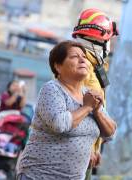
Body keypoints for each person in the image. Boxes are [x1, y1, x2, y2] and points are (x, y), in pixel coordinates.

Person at [16, 40, 116, 180]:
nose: (82, 59)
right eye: (74, 57)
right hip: (38, 175)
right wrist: (87, 107)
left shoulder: (89, 94)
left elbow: (110, 134)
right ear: (58, 66)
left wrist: (98, 111)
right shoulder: (52, 89)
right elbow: (59, 124)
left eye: (84, 57)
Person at [72, 8, 119, 179]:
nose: (110, 45)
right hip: (79, 155)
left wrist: (96, 145)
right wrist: (90, 149)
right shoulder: (86, 71)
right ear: (100, 40)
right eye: (109, 40)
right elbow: (82, 112)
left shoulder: (82, 63)